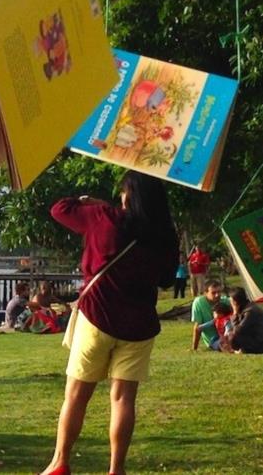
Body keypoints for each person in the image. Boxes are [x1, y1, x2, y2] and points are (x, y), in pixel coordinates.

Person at [42, 171, 179, 475]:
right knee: (123, 399)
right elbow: (168, 280)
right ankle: (116, 469)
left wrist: (90, 201)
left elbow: (59, 209)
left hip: (97, 318)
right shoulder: (165, 236)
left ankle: (60, 462)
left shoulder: (105, 217)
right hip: (139, 327)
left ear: (128, 195)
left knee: (76, 395)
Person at [191, 280, 230, 351]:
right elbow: (197, 327)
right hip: (213, 340)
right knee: (223, 344)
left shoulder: (225, 301)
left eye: (219, 292)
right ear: (205, 293)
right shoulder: (199, 303)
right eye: (213, 293)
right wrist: (194, 349)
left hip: (228, 336)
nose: (217, 295)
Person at [227, 287, 263, 354]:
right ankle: (240, 349)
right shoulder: (245, 307)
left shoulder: (250, 311)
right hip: (254, 339)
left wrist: (234, 312)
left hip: (259, 343)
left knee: (232, 336)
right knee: (230, 335)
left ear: (235, 301)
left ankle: (242, 350)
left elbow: (237, 330)